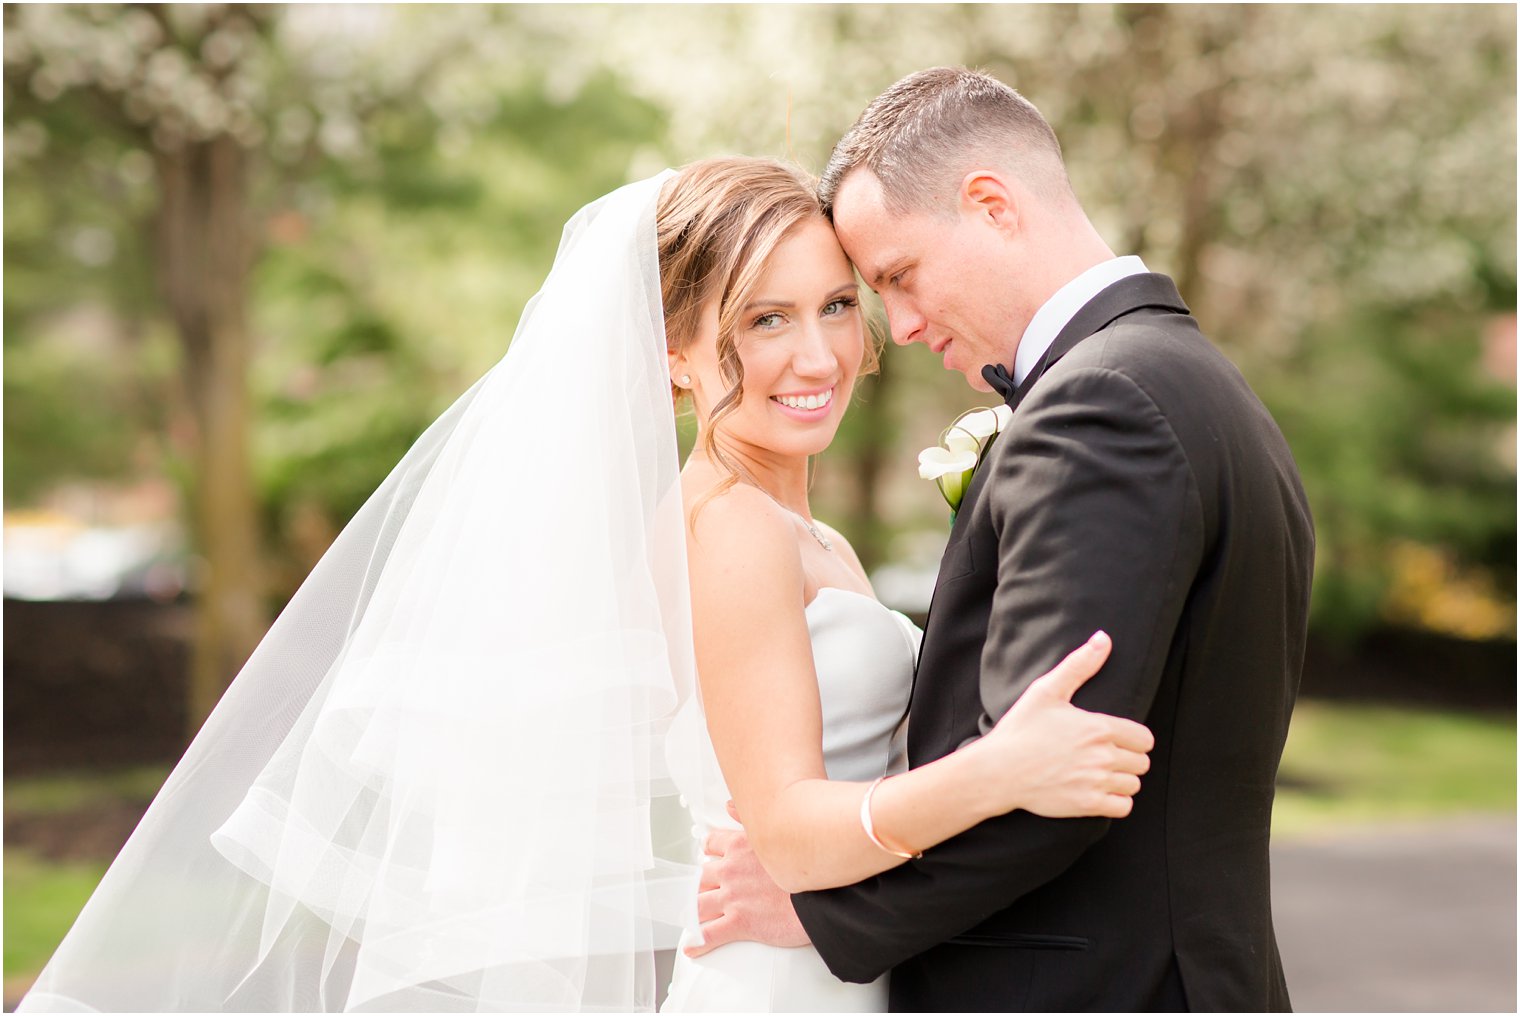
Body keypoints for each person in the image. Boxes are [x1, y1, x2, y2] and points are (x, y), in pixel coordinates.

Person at [17, 158, 1152, 1014]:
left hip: (840, 962)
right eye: (763, 319)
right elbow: (796, 835)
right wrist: (1001, 770)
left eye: (834, 305)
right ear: (671, 350)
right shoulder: (728, 530)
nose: (816, 356)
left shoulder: (799, 530)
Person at [695, 69, 1316, 1013]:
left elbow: (1050, 773)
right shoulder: (1191, 377)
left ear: (990, 205)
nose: (893, 328)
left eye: (894, 278)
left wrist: (827, 913)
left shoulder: (1099, 408)